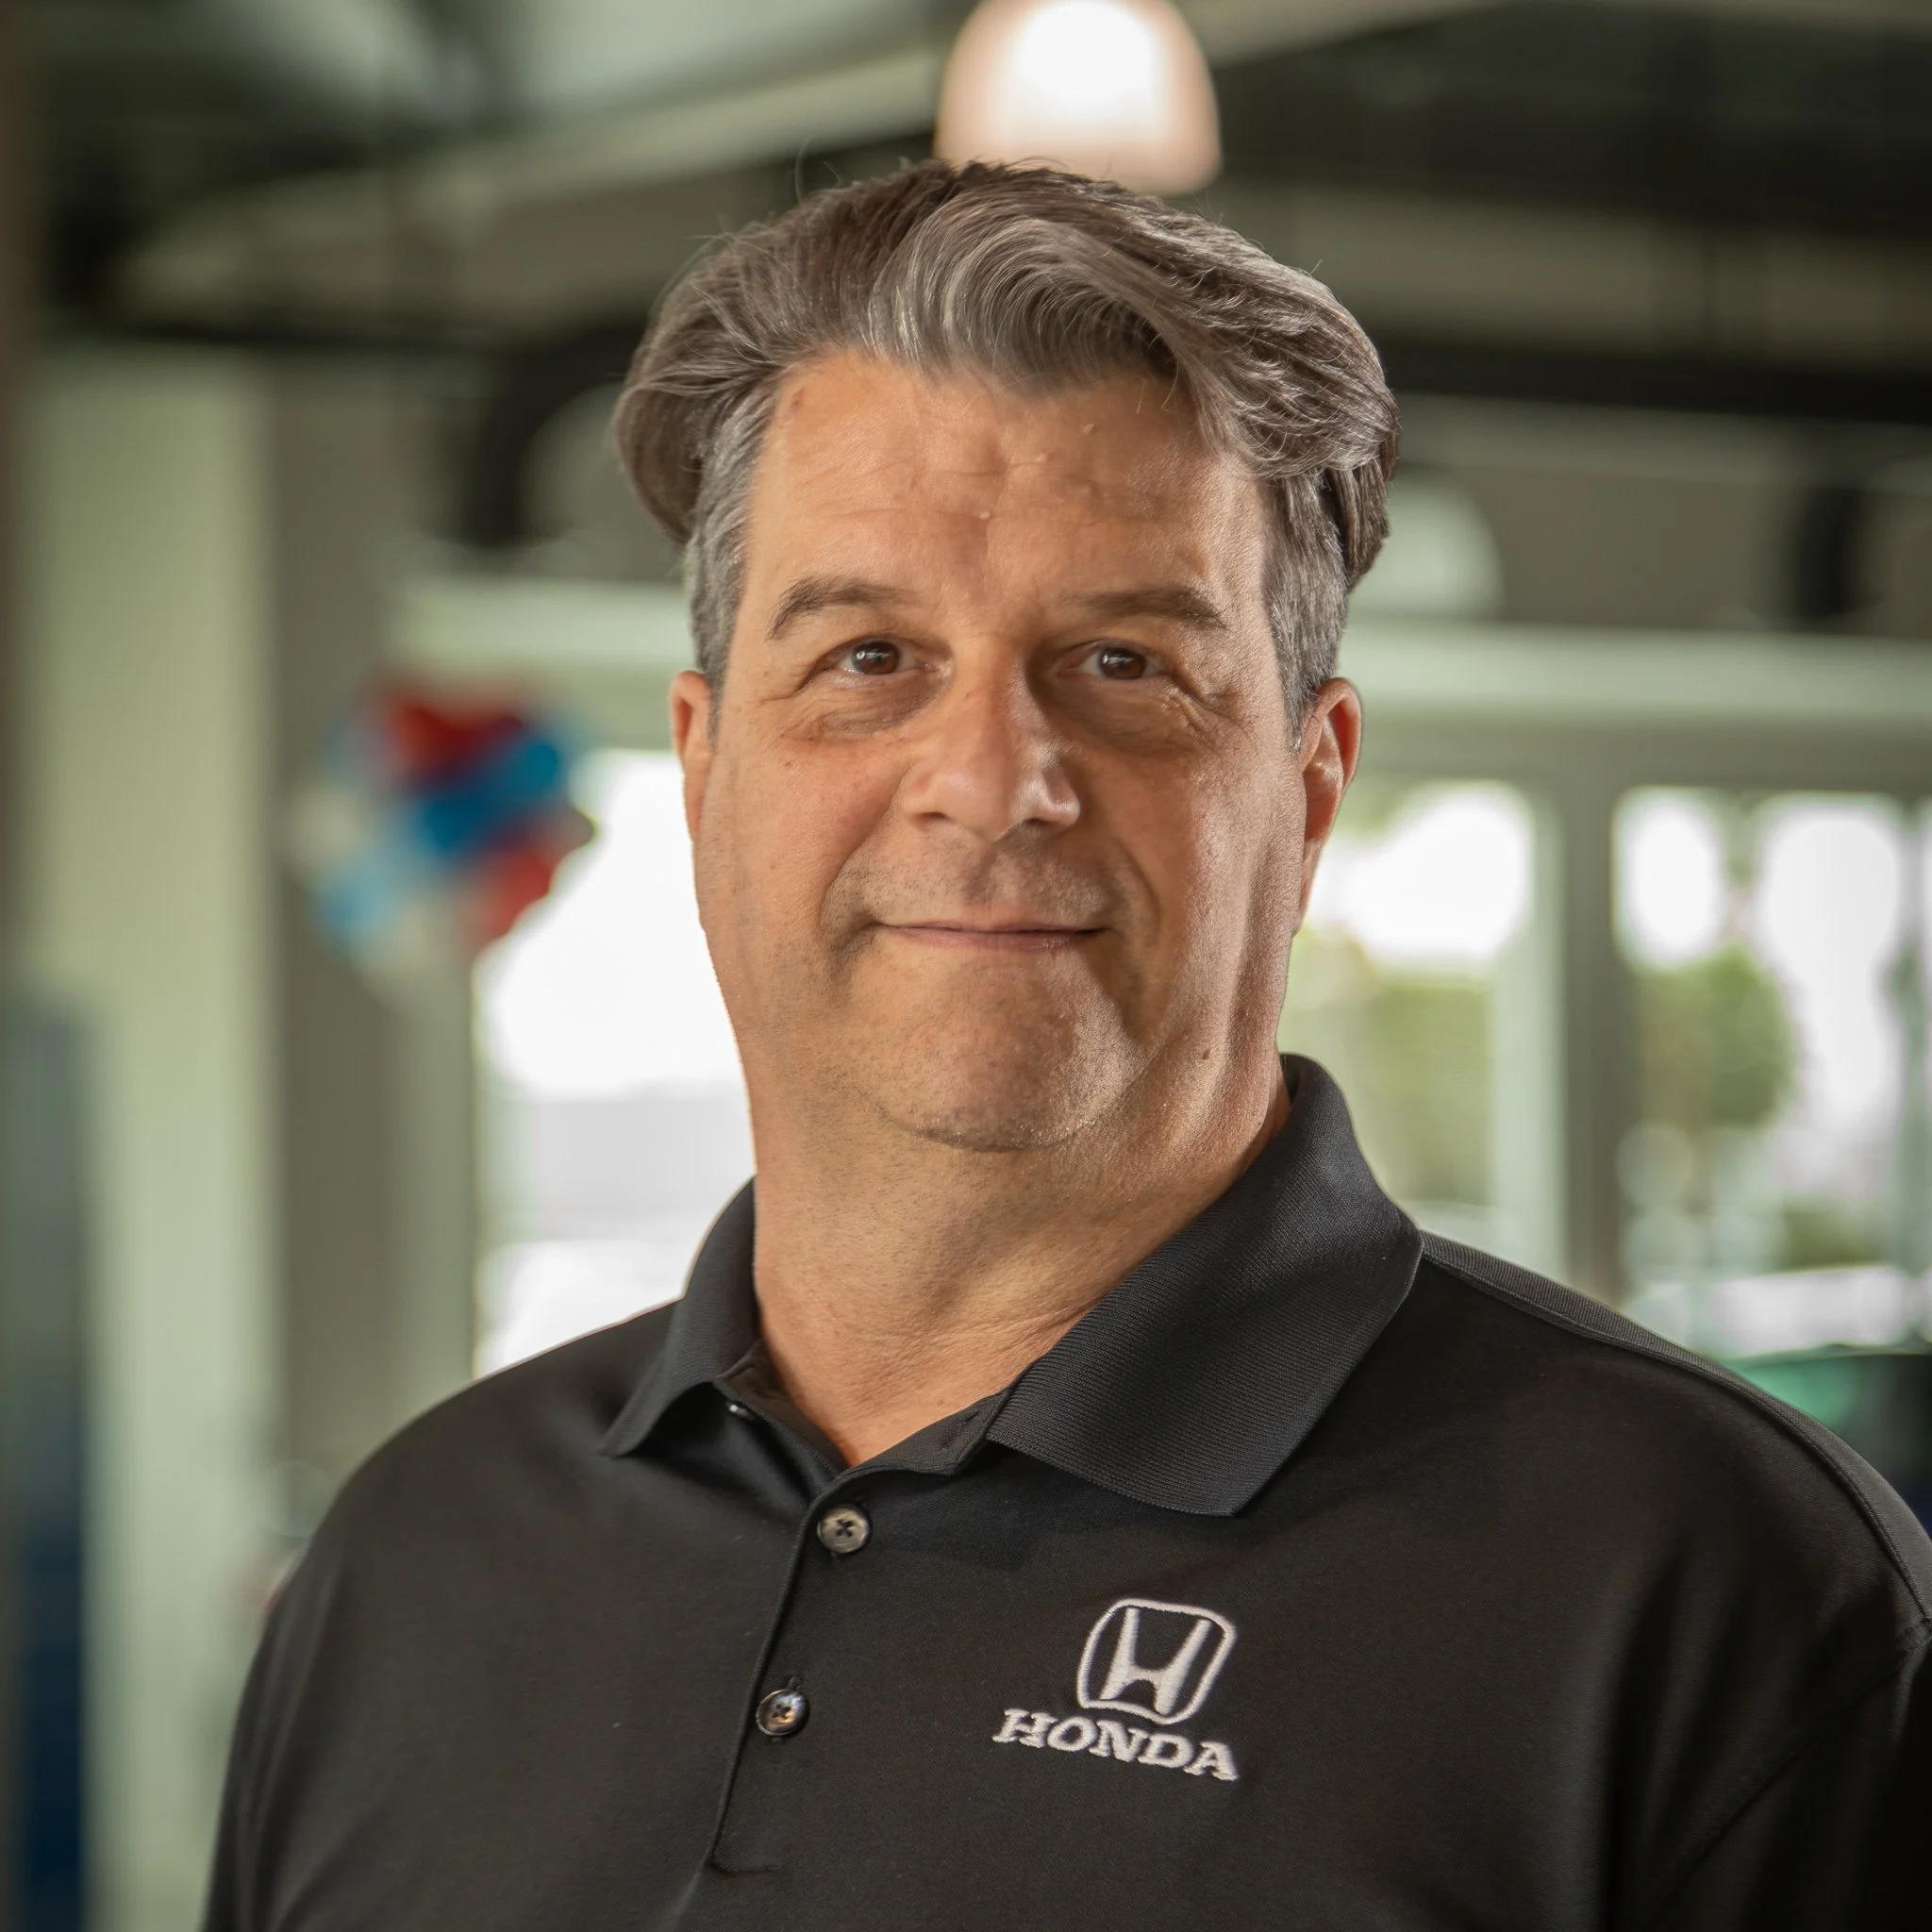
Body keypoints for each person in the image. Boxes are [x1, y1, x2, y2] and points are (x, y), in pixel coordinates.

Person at [205, 162, 1931, 1931]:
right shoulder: (410, 1559)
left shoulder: (1715, 1589)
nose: (991, 780)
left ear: (1309, 787)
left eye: (1121, 664)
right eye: (869, 656)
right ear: (707, 772)